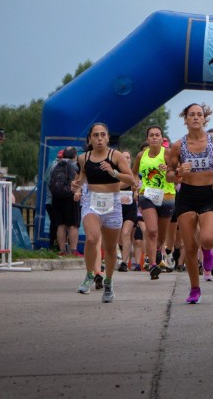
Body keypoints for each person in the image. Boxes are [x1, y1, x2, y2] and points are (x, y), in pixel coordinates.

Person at [167, 103, 213, 304]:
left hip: (209, 194)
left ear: (205, 119)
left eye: (199, 114)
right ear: (185, 119)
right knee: (189, 245)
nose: (195, 117)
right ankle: (195, 288)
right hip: (186, 196)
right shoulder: (178, 145)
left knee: (208, 238)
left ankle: (208, 252)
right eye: (191, 115)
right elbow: (169, 175)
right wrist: (179, 172)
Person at [73, 123, 136, 303]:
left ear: (108, 138)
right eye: (95, 135)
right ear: (90, 139)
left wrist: (113, 172)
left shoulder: (115, 156)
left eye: (102, 135)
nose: (99, 138)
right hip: (92, 201)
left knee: (109, 248)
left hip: (113, 202)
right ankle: (89, 275)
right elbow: (82, 178)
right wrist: (76, 185)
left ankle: (108, 282)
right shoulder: (83, 158)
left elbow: (131, 179)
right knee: (92, 238)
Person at [133, 126, 177, 280]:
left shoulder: (168, 153)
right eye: (151, 135)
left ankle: (158, 249)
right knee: (151, 230)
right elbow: (134, 174)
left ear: (161, 138)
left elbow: (178, 172)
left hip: (166, 195)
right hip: (147, 194)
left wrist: (169, 169)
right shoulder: (140, 155)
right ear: (147, 139)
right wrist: (135, 186)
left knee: (161, 236)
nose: (154, 138)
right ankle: (152, 265)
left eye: (157, 135)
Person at [51, 148, 81, 255]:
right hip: (71, 197)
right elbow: (80, 181)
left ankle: (62, 250)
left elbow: (47, 180)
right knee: (73, 224)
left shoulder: (55, 165)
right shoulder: (76, 166)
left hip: (56, 197)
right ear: (75, 155)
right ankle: (73, 250)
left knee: (60, 224)